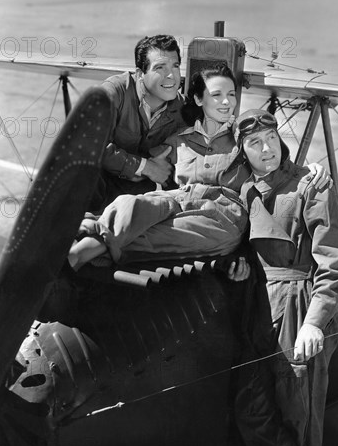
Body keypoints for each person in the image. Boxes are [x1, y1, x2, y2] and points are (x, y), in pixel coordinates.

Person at [231, 109, 338, 446]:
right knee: (251, 410)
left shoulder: (311, 184)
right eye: (254, 142)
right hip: (262, 310)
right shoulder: (247, 192)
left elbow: (336, 262)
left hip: (301, 307)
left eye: (271, 136)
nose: (266, 148)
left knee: (299, 420)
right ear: (242, 151)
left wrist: (315, 323)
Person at [68, 62, 251, 269]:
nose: (227, 102)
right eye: (217, 94)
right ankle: (79, 237)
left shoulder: (245, 140)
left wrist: (246, 254)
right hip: (179, 201)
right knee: (132, 203)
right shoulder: (179, 140)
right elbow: (144, 168)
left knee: (163, 234)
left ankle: (82, 247)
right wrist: (145, 166)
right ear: (199, 99)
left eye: (232, 94)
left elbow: (265, 189)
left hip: (222, 217)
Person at [90, 34, 186, 212]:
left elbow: (174, 162)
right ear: (140, 74)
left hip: (132, 200)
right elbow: (93, 147)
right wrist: (146, 167)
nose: (171, 76)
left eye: (176, 66)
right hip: (92, 192)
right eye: (160, 68)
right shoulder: (114, 92)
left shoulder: (181, 109)